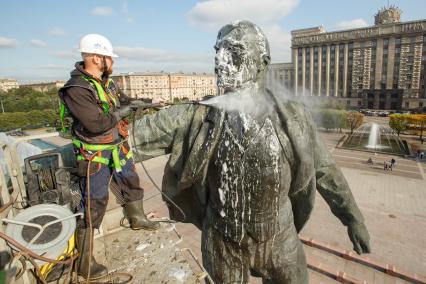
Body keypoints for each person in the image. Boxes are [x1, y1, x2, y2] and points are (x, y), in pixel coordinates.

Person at [132, 21, 370, 283]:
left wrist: (352, 219)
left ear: (262, 62)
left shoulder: (293, 117)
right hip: (223, 242)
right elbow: (127, 140)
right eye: (217, 52)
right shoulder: (196, 115)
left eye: (233, 53)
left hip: (280, 239)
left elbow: (325, 170)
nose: (220, 62)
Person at [58, 34, 160, 280]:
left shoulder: (107, 83)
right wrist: (124, 111)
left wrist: (149, 102)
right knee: (95, 201)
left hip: (117, 146)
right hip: (95, 153)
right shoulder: (76, 89)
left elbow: (124, 102)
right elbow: (95, 124)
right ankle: (84, 262)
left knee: (130, 181)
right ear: (96, 57)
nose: (111, 62)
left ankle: (137, 218)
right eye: (108, 58)